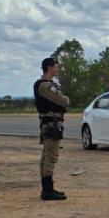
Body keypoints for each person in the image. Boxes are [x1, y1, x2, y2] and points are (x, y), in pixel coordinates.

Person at [34, 56, 70, 201]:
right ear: (49, 67)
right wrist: (65, 100)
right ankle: (47, 190)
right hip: (51, 124)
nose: (57, 69)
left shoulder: (45, 84)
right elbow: (63, 101)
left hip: (50, 123)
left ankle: (47, 189)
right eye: (56, 66)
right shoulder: (44, 85)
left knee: (47, 155)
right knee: (51, 156)